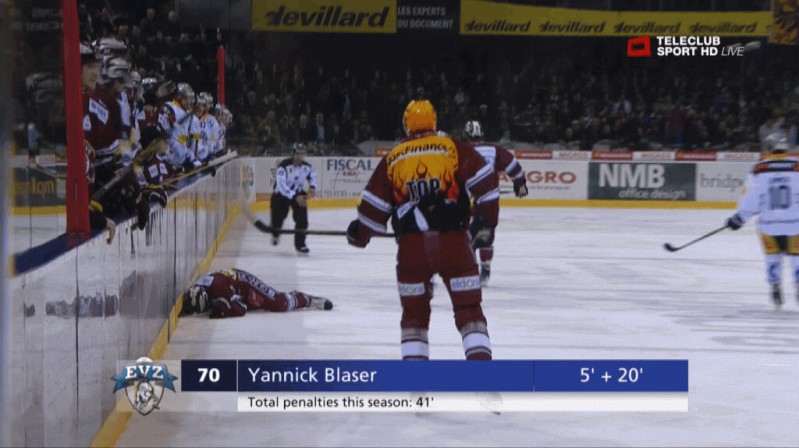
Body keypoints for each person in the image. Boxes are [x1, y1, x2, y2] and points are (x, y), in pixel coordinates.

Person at [346, 99, 499, 361]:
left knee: (414, 318)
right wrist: (486, 223)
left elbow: (372, 215)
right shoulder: (452, 147)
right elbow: (487, 184)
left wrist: (358, 234)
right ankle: (482, 374)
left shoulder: (393, 158)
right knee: (470, 311)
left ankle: (416, 385)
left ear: (406, 125)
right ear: (434, 121)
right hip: (455, 246)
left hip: (412, 251)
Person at [726, 141, 799, 307]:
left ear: (768, 150)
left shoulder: (759, 169)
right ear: (787, 151)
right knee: (797, 257)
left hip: (769, 224)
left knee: (773, 256)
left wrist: (740, 218)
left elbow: (750, 197)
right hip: (796, 224)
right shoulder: (797, 166)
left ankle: (775, 286)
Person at [463, 120, 529, 286]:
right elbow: (513, 165)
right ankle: (485, 268)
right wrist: (520, 184)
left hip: (470, 201)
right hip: (491, 201)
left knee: (465, 238)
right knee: (486, 235)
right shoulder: (494, 150)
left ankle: (468, 271)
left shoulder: (462, 151)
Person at [181, 268, 333, 318]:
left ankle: (307, 299)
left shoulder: (220, 290)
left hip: (245, 284)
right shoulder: (200, 288)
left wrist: (221, 309)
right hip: (235, 290)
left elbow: (241, 309)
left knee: (279, 303)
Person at [271, 145, 318, 254]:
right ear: (293, 154)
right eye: (297, 154)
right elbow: (281, 185)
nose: (299, 157)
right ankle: (276, 233)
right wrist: (294, 196)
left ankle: (300, 244)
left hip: (298, 194)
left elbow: (313, 176)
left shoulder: (307, 167)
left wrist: (312, 187)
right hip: (282, 194)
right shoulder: (283, 166)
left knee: (302, 219)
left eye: (302, 154)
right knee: (279, 217)